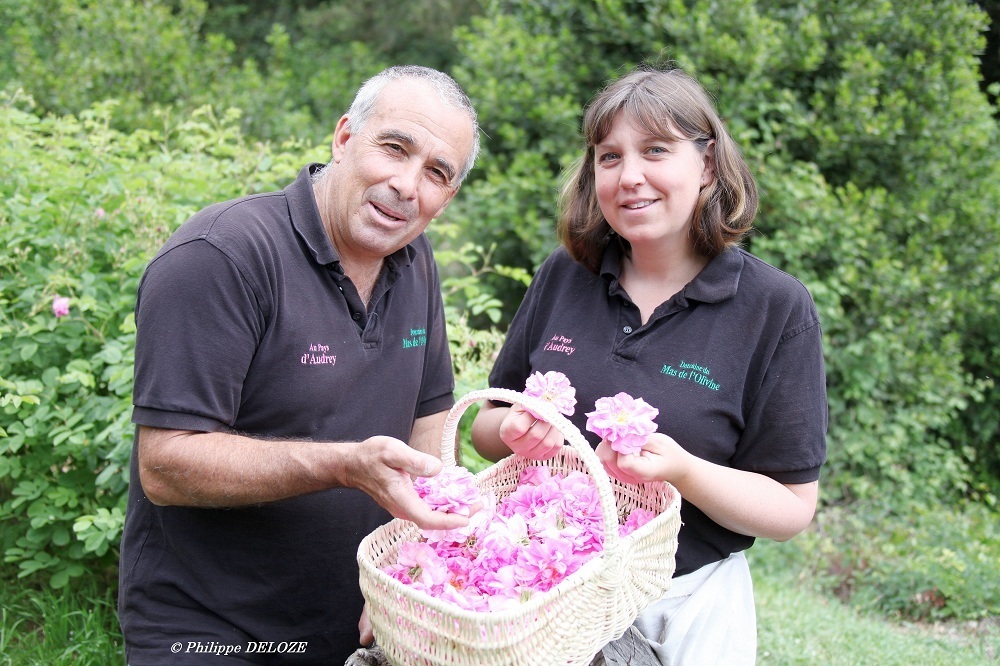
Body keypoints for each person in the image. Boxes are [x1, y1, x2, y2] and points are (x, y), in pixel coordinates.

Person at [119, 65, 481, 665]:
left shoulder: (414, 261)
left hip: (365, 611)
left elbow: (429, 425)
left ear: (448, 197)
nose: (406, 185)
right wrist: (344, 465)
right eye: (394, 148)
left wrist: (415, 571)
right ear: (344, 138)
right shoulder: (222, 256)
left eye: (437, 174)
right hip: (215, 627)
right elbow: (166, 464)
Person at [471, 63, 827, 665]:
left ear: (708, 164)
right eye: (609, 157)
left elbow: (791, 508)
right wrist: (511, 433)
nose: (629, 176)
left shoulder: (775, 308)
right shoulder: (565, 275)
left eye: (656, 150)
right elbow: (488, 425)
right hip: (544, 592)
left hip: (683, 606)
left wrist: (684, 471)